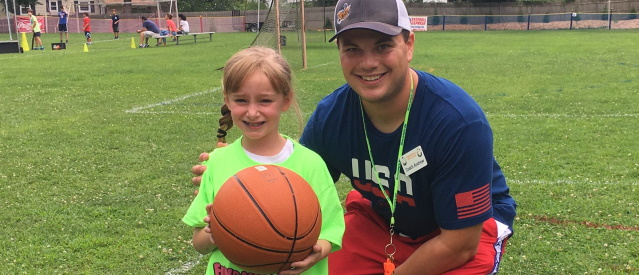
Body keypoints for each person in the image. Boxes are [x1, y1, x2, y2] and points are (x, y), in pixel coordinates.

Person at [192, 0, 517, 273]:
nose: (368, 62)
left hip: (464, 230)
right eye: (352, 49)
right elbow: (290, 188)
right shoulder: (333, 115)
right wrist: (235, 175)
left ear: (409, 45)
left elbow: (459, 245)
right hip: (379, 222)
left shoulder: (457, 122)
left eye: (383, 45)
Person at [183, 46, 345, 275]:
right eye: (241, 100)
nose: (252, 112)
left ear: (285, 100)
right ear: (227, 101)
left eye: (265, 101)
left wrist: (316, 252)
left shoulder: (310, 164)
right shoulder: (217, 162)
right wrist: (216, 230)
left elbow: (331, 232)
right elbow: (199, 244)